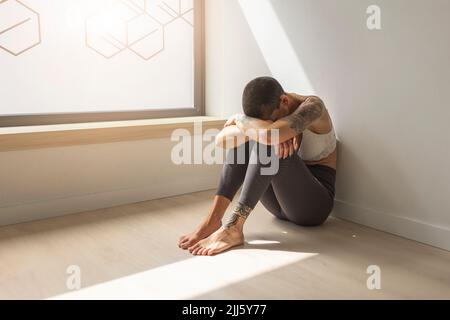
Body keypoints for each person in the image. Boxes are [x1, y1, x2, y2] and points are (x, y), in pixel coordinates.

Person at [178, 76, 337, 256]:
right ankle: (213, 220)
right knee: (250, 139)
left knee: (265, 140)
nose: (269, 123)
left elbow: (268, 136)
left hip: (313, 206)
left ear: (284, 101)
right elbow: (221, 141)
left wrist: (241, 121)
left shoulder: (313, 107)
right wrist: (245, 122)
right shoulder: (266, 110)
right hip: (280, 205)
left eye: (272, 119)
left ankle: (233, 228)